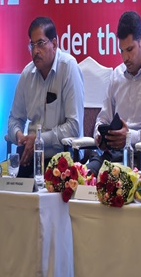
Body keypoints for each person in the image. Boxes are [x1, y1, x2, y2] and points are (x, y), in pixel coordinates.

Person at [87, 11, 141, 176]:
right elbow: (102, 119)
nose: (125, 57)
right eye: (122, 51)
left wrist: (129, 137)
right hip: (111, 155)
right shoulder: (116, 75)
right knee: (85, 177)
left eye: (130, 49)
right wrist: (100, 137)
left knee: (112, 180)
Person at [7, 16, 84, 177]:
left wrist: (39, 139)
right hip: (30, 154)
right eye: (32, 45)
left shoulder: (68, 67)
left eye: (40, 43)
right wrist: (19, 136)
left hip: (62, 156)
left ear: (54, 44)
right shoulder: (27, 74)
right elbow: (14, 119)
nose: (35, 51)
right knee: (10, 187)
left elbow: (73, 127)